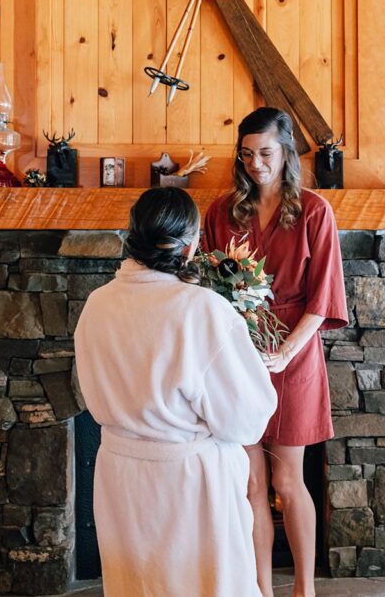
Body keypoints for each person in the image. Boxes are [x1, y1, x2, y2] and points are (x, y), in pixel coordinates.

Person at [74, 187, 277, 597]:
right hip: (186, 485)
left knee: (137, 584)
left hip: (120, 478)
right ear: (189, 246)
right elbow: (248, 419)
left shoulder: (96, 304)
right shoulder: (202, 309)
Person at [203, 107, 349, 597]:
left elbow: (325, 296)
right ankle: (259, 589)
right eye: (246, 154)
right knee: (250, 488)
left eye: (265, 153)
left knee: (289, 484)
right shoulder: (220, 212)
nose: (255, 164)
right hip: (237, 356)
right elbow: (205, 288)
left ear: (286, 153)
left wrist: (286, 352)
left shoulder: (314, 211)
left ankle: (303, 590)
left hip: (294, 356)